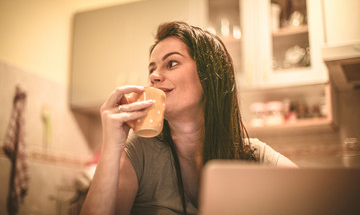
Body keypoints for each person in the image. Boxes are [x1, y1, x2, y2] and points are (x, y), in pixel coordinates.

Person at [80, 21, 297, 215]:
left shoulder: (253, 156)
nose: (154, 76)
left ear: (209, 75)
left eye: (172, 63)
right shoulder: (139, 153)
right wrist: (111, 146)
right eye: (152, 68)